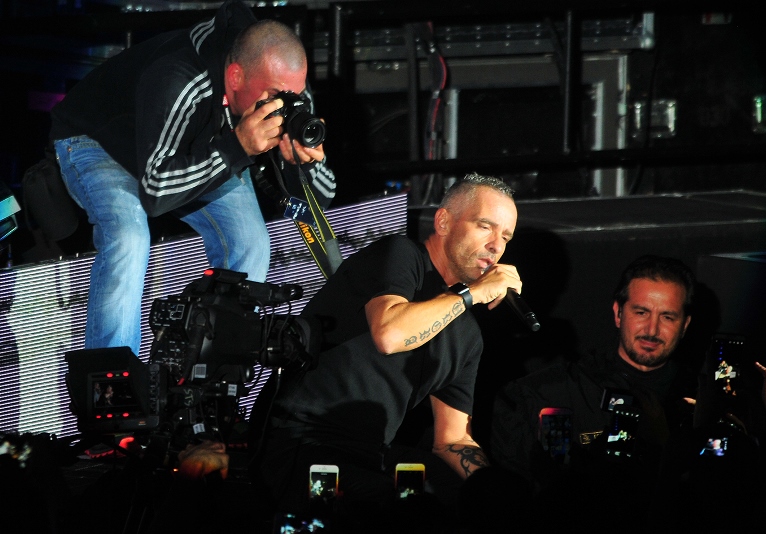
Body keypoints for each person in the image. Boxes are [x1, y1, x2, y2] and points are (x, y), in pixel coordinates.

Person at [49, 0, 336, 356]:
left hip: (197, 146)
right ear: (235, 76)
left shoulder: (286, 89)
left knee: (250, 242)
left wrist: (302, 164)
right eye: (275, 96)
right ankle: (114, 379)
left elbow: (321, 201)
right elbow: (156, 193)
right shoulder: (180, 77)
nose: (283, 105)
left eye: (294, 94)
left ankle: (219, 370)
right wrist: (238, 147)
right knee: (128, 236)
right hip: (101, 142)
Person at [250, 173, 522, 526]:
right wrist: (474, 293)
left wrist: (498, 493)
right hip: (303, 444)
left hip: (369, 457)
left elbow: (452, 438)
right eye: (485, 227)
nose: (496, 246)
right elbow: (389, 334)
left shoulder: (467, 335)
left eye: (505, 237)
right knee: (404, 514)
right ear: (443, 221)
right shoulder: (400, 255)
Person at [490, 254, 698, 525]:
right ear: (618, 313)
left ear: (685, 325)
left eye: (667, 317)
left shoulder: (702, 398)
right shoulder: (549, 392)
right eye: (641, 312)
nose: (652, 329)